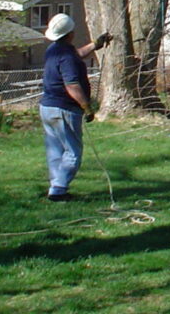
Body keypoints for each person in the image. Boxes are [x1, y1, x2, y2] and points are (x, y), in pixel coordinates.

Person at [40, 13, 111, 202]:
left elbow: (77, 55)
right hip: (64, 109)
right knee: (73, 152)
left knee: (55, 151)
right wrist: (86, 107)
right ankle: (58, 190)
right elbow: (72, 85)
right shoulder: (66, 56)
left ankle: (56, 186)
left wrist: (96, 44)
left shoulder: (55, 50)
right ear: (70, 33)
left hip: (47, 107)